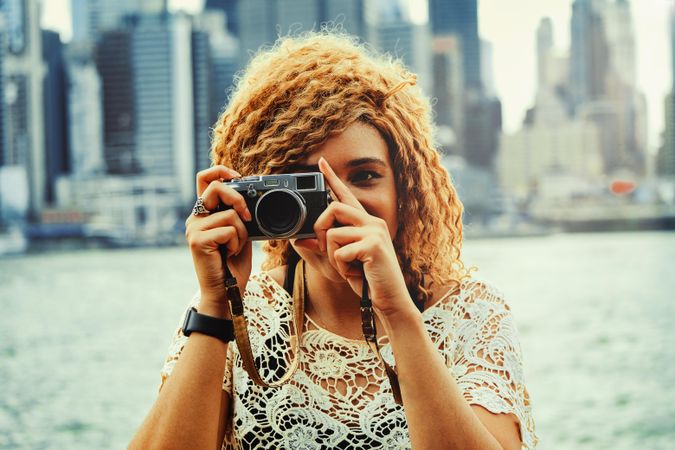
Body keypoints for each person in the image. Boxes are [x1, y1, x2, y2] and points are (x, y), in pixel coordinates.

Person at [129, 31, 538, 450]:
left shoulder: (470, 314)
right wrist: (216, 303)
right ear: (265, 197)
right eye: (309, 185)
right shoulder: (238, 315)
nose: (338, 204)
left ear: (406, 189)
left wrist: (397, 313)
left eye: (364, 177)